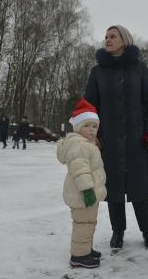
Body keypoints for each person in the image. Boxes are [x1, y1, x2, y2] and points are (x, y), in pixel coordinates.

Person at [84, 25, 148, 250]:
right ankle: (118, 232)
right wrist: (92, 134)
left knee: (139, 190)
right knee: (114, 190)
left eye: (112, 36)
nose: (107, 39)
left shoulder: (139, 69)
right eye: (106, 36)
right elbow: (89, 107)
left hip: (136, 139)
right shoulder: (97, 72)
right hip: (109, 140)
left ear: (124, 40)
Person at [56, 98, 107, 268]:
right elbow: (80, 171)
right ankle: (79, 256)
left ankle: (85, 249)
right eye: (87, 126)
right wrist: (87, 190)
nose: (92, 130)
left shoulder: (86, 144)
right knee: (83, 224)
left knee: (88, 223)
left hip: (87, 194)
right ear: (78, 127)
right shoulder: (80, 146)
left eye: (95, 126)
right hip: (83, 194)